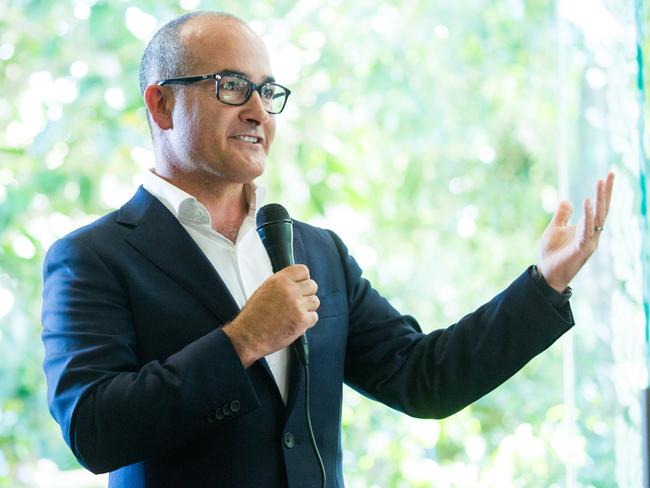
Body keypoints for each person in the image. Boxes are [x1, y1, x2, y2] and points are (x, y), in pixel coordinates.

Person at [41, 10, 615, 488]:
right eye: (232, 86)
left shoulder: (316, 251)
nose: (259, 111)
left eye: (267, 92)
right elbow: (95, 430)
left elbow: (424, 379)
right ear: (162, 105)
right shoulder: (93, 259)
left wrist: (545, 282)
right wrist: (243, 340)